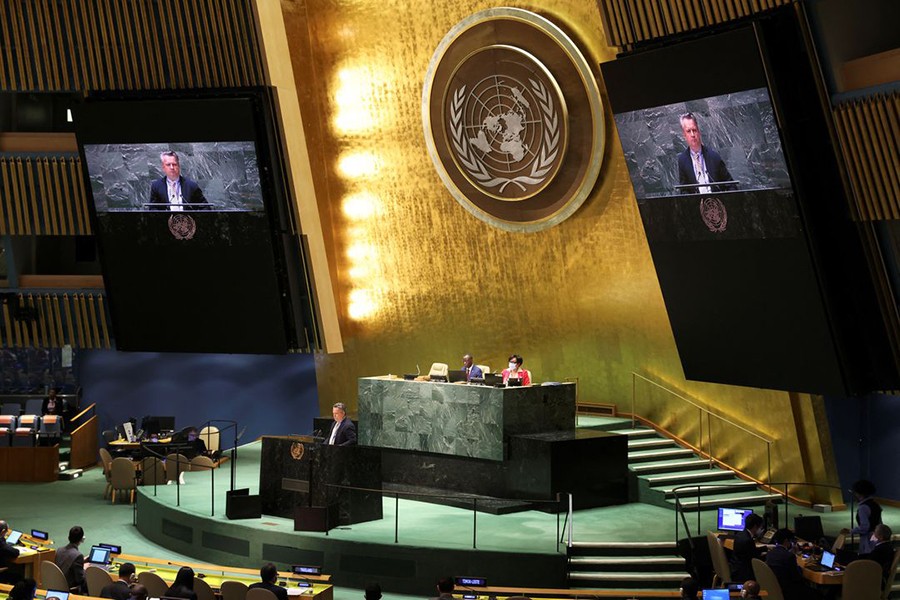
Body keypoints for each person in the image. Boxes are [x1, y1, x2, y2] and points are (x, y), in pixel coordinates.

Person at [676, 112, 734, 194]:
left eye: (694, 130)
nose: (693, 135)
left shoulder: (714, 157)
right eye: (688, 131)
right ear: (684, 135)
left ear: (699, 132)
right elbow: (684, 191)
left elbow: (731, 185)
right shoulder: (682, 160)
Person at [764, 529, 817, 600]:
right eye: (791, 541)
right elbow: (797, 577)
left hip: (775, 588)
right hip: (790, 591)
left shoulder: (770, 554)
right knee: (817, 593)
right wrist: (800, 568)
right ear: (786, 541)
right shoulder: (789, 556)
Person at [842, 479, 883, 554]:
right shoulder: (876, 504)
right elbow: (880, 523)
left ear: (859, 493)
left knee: (866, 560)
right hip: (877, 537)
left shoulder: (863, 508)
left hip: (868, 539)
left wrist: (850, 531)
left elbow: (864, 528)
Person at [857, 524, 895, 589]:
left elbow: (870, 562)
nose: (873, 534)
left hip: (875, 579)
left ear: (881, 537)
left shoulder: (880, 549)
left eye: (875, 533)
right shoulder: (888, 546)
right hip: (879, 576)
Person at [730, 513, 764, 582]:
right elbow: (755, 558)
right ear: (755, 527)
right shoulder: (748, 540)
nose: (761, 529)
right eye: (760, 527)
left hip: (736, 569)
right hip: (744, 575)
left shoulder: (740, 534)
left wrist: (765, 547)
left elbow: (751, 551)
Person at [54, 525, 86, 593]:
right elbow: (80, 579)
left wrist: (83, 561)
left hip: (57, 584)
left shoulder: (59, 550)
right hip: (69, 588)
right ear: (82, 539)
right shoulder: (78, 556)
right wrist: (86, 571)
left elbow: (67, 561)